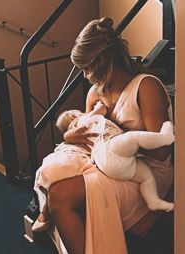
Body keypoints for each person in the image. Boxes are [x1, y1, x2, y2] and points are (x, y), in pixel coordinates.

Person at [46, 17, 174, 254]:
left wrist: (117, 138)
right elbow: (89, 131)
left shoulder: (146, 87)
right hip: (108, 165)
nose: (85, 76)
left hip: (146, 172)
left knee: (60, 197)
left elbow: (162, 150)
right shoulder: (95, 93)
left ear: (102, 62)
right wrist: (72, 137)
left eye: (86, 68)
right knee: (54, 179)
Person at [32, 102, 174, 232]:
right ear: (73, 116)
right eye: (79, 111)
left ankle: (153, 201)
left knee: (145, 176)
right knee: (132, 138)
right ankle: (165, 138)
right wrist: (98, 107)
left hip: (110, 164)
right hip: (109, 150)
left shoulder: (78, 133)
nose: (83, 112)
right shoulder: (84, 121)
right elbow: (101, 109)